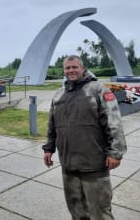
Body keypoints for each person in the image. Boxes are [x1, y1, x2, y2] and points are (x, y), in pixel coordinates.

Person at [42, 55, 127, 220]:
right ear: (64, 70)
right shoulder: (59, 94)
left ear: (82, 68)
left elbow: (113, 122)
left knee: (100, 212)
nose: (71, 70)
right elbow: (52, 126)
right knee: (76, 210)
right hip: (68, 165)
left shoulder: (98, 90)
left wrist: (115, 152)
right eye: (68, 68)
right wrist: (48, 149)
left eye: (75, 67)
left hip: (94, 164)